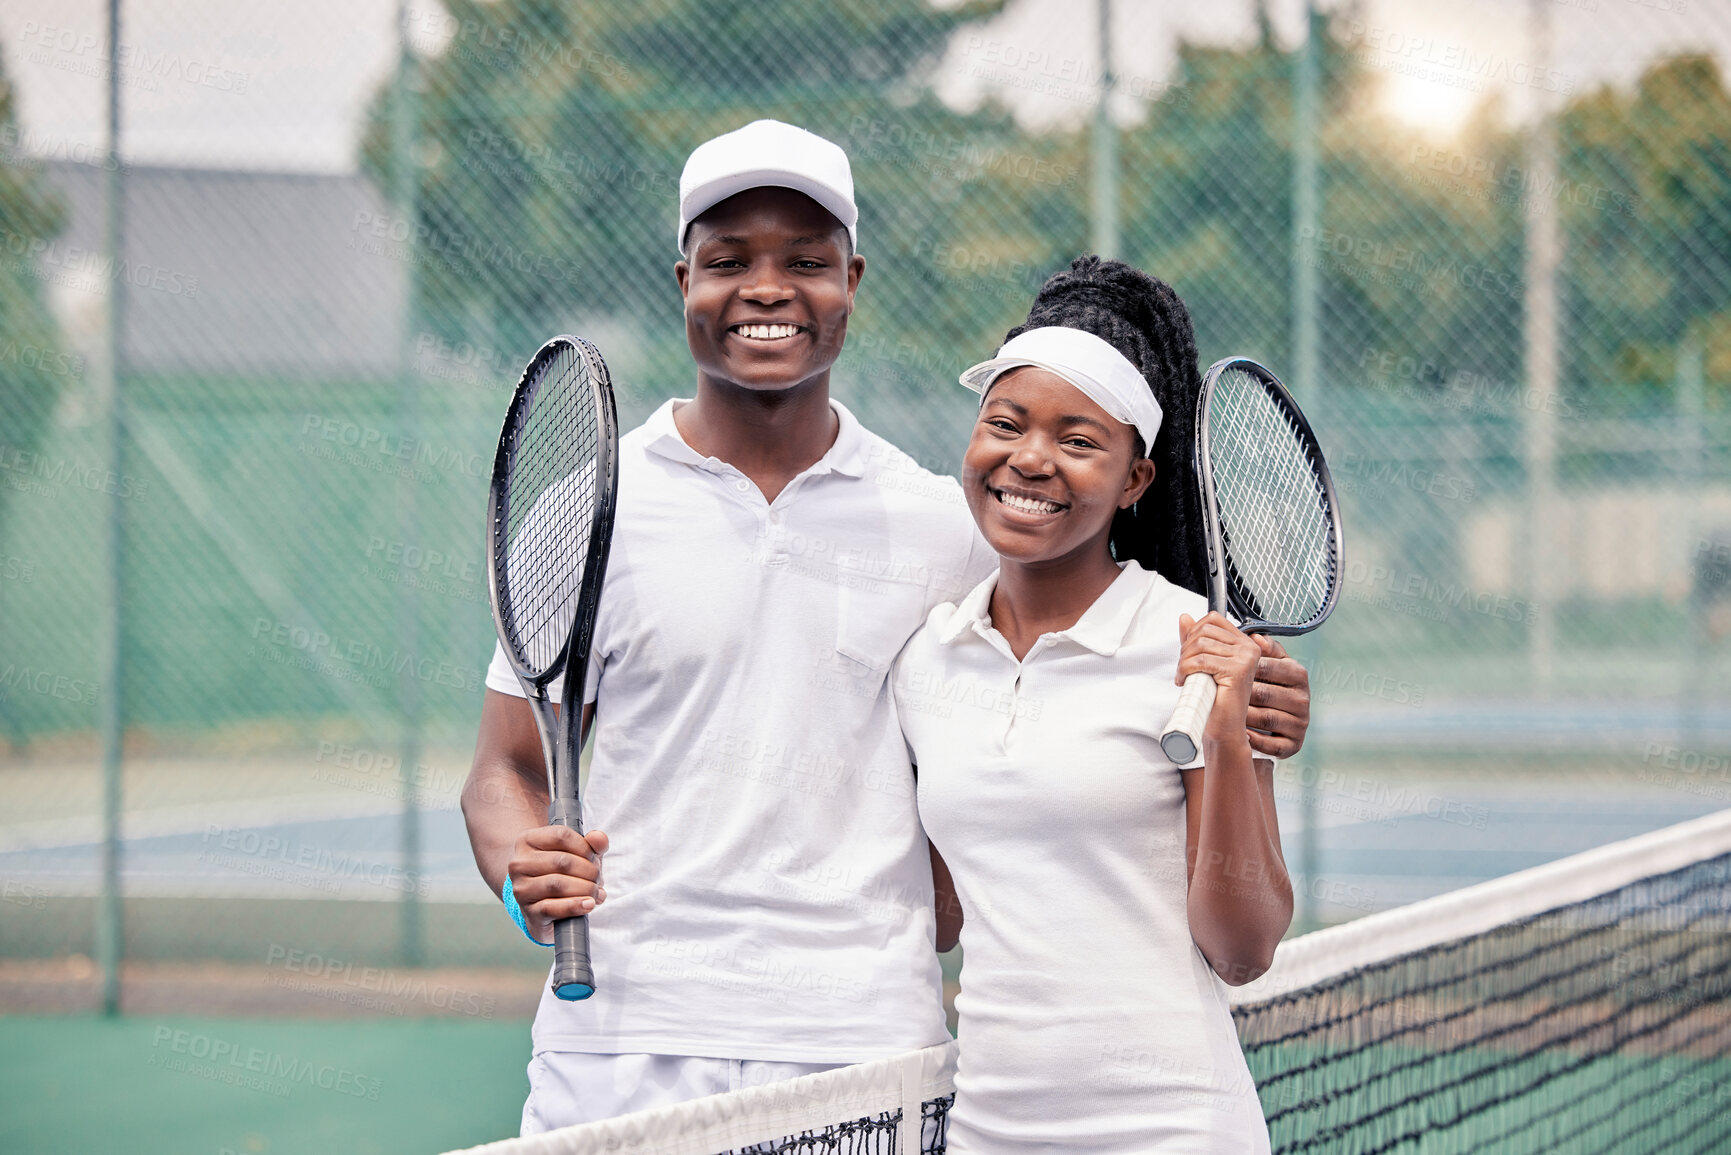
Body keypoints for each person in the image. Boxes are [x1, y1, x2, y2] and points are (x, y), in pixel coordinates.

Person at [460, 121, 1312, 1134]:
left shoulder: (945, 527)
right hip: (616, 1043)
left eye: (807, 262)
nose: (767, 289)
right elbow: (504, 770)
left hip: (864, 1051)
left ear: (851, 282)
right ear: (681, 277)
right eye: (728, 260)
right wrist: (521, 874)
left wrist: (1249, 708)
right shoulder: (589, 509)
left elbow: (1045, 718)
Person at [893, 257, 1290, 1154]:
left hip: (1174, 1125)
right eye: (1005, 423)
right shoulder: (926, 659)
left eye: (1078, 441)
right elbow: (946, 914)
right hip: (989, 1128)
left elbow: (1242, 949)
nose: (1029, 459)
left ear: (1134, 481)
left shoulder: (1194, 643)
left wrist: (1226, 739)